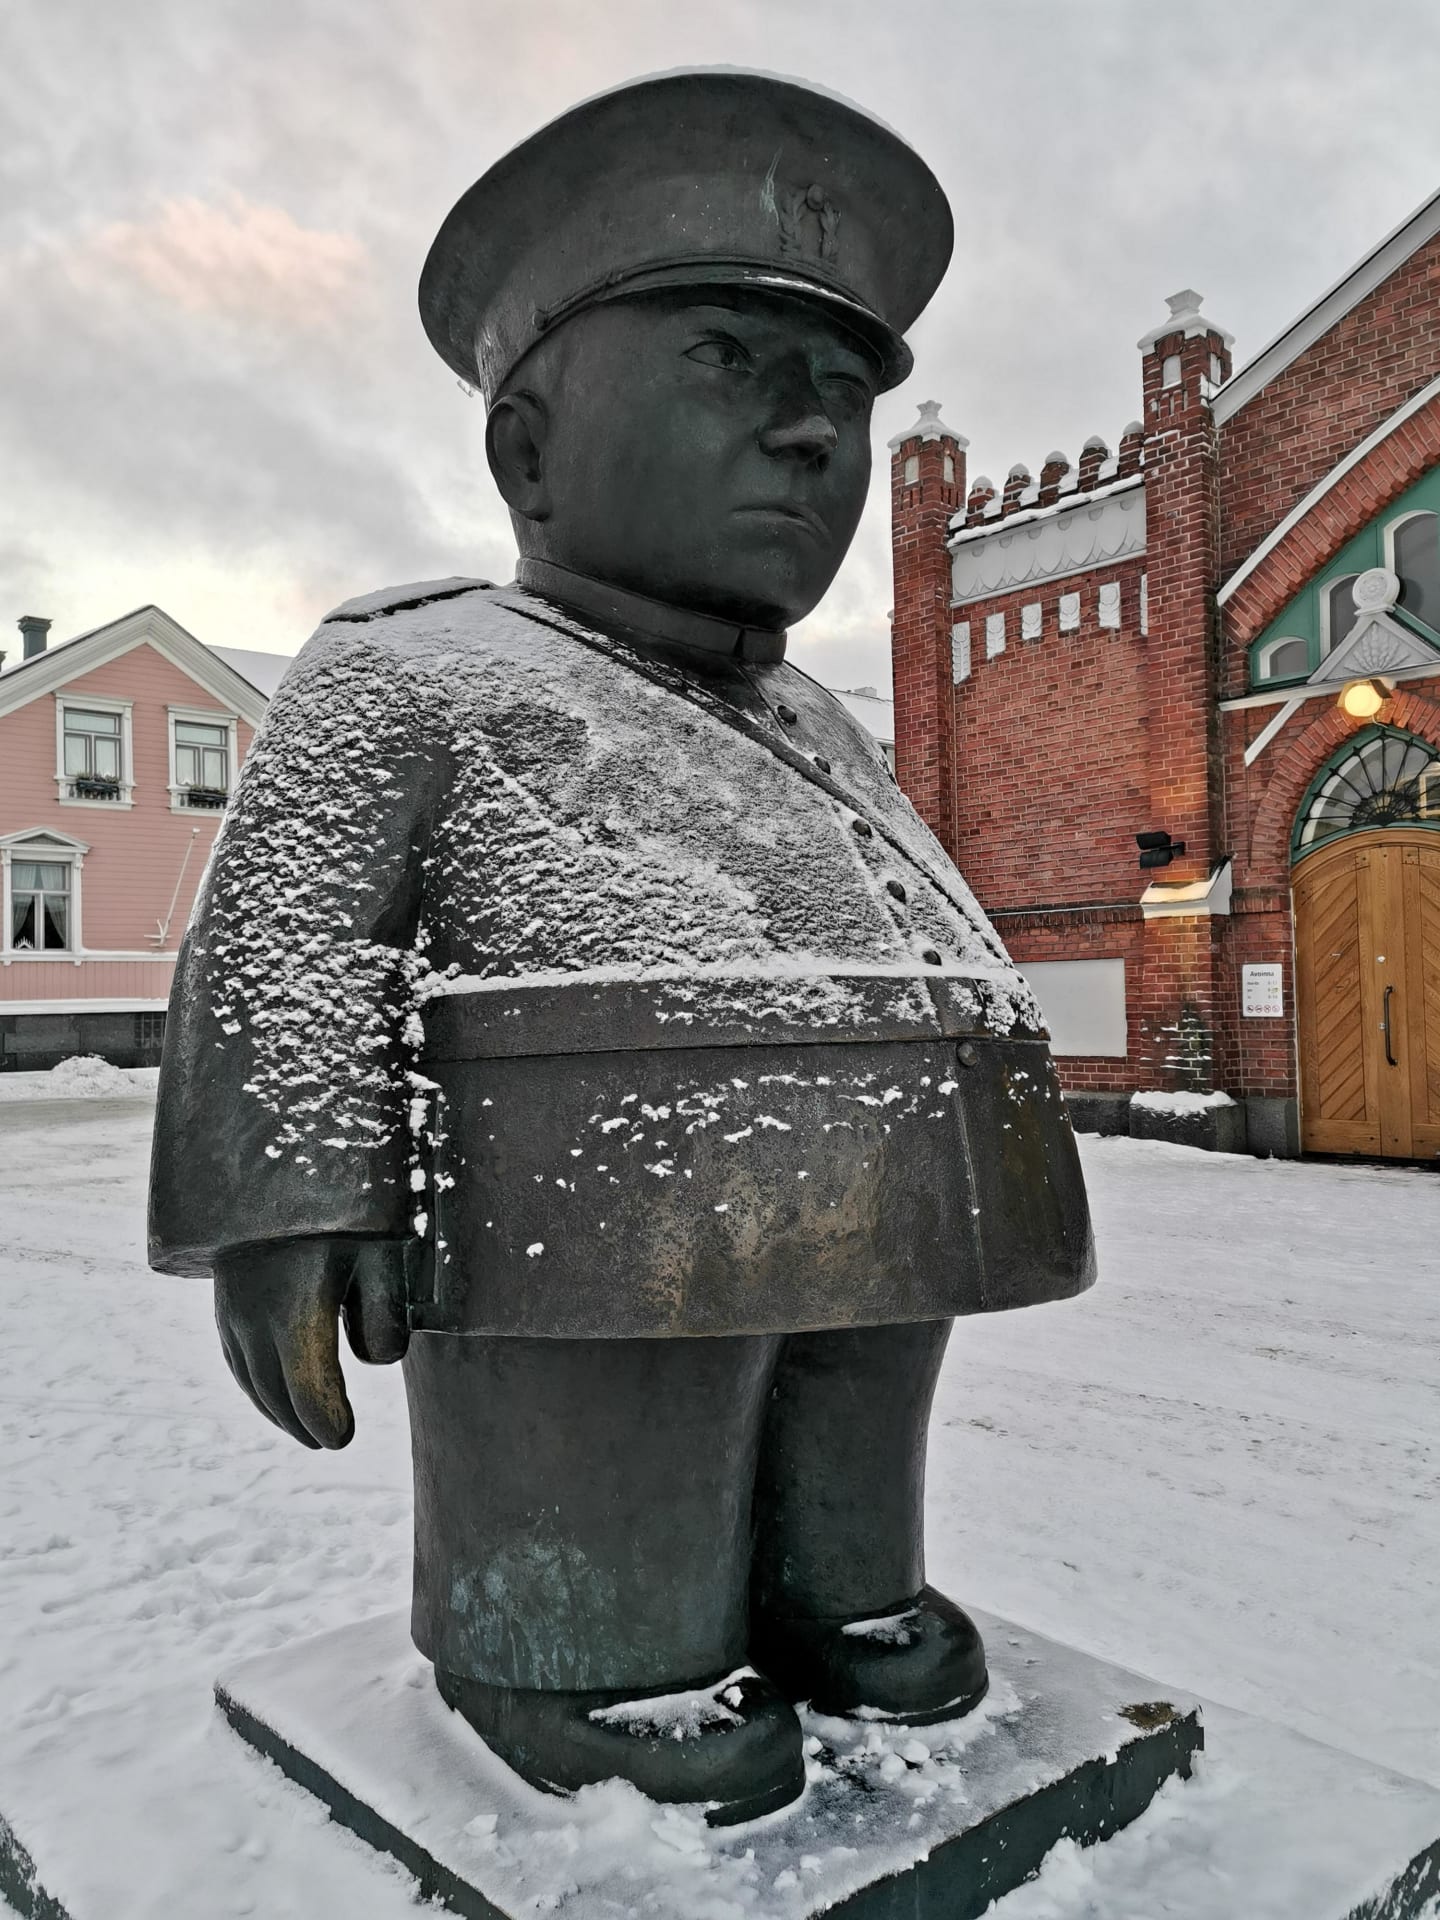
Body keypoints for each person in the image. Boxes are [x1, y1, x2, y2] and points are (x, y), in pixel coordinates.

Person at [150, 69, 1094, 1826]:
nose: (812, 436)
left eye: (838, 394)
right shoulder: (410, 667)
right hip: (574, 1220)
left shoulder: (817, 711)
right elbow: (285, 933)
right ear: (526, 451)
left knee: (856, 1383)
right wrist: (288, 1196)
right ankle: (582, 1647)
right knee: (628, 1413)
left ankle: (839, 1583)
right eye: (731, 368)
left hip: (875, 1192)